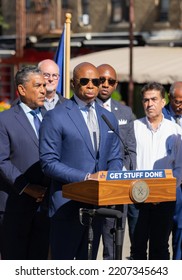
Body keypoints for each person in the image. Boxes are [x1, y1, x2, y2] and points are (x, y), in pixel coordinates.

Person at [39, 62, 123, 260]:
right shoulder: (56, 116)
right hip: (66, 205)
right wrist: (86, 178)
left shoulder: (108, 117)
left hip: (97, 206)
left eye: (97, 81)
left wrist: (110, 175)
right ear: (73, 84)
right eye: (85, 81)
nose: (92, 85)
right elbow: (48, 162)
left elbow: (115, 156)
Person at [0, 66, 50, 260]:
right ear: (21, 90)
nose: (43, 90)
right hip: (14, 206)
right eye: (38, 85)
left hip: (45, 207)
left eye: (44, 85)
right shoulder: (4, 120)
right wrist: (27, 187)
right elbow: (1, 161)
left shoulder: (51, 117)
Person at [132, 81, 182, 260]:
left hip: (164, 200)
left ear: (163, 101)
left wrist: (162, 193)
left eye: (154, 99)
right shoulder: (134, 128)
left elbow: (179, 168)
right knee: (137, 248)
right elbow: (128, 164)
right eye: (146, 100)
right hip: (136, 198)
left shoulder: (175, 131)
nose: (149, 104)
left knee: (160, 248)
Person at [96, 63, 137, 260]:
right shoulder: (83, 109)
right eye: (101, 80)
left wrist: (122, 174)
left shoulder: (125, 113)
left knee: (113, 251)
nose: (105, 84)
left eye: (110, 81)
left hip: (116, 189)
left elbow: (130, 149)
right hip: (90, 188)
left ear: (115, 85)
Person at [163, 81, 182, 260]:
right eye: (177, 101)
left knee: (180, 230)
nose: (180, 106)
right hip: (167, 182)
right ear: (169, 98)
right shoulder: (159, 117)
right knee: (163, 230)